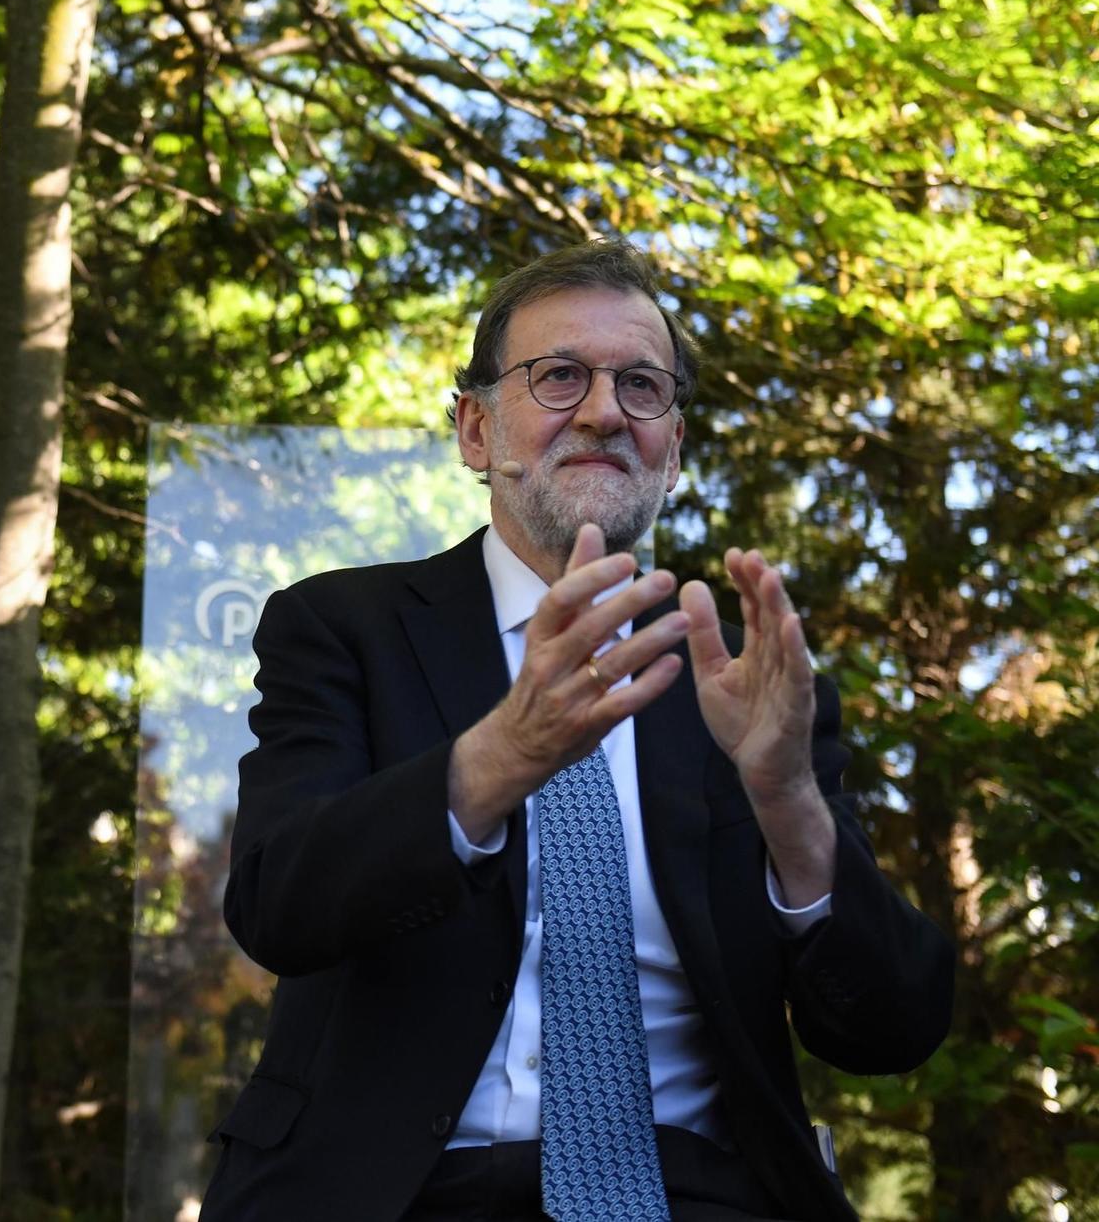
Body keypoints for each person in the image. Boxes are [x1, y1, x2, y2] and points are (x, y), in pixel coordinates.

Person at [200, 240, 953, 1222]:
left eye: (640, 385)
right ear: (474, 429)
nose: (602, 410)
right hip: (395, 1191)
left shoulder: (742, 677)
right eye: (558, 375)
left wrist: (785, 800)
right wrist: (503, 750)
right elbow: (276, 902)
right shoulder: (343, 630)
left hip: (693, 1190)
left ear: (672, 448)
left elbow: (890, 1026)